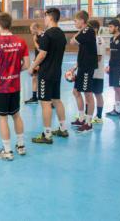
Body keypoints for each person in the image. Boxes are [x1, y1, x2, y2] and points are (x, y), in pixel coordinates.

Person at [0, 12, 29, 161]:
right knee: (16, 115)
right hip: (15, 86)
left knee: (2, 118)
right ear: (10, 24)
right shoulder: (21, 42)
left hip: (0, 87)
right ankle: (21, 146)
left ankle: (7, 150)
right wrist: (15, 71)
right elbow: (27, 65)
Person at [29, 8, 68, 144]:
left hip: (46, 74)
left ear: (50, 18)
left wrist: (32, 66)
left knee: (45, 103)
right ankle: (63, 129)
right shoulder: (62, 34)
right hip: (57, 72)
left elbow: (42, 54)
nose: (44, 20)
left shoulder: (47, 34)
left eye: (45, 18)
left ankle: (47, 135)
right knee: (56, 100)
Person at [69, 10, 98, 133]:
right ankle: (81, 118)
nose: (75, 23)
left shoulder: (88, 30)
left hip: (87, 67)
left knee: (88, 94)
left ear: (82, 20)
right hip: (82, 66)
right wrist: (76, 66)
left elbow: (72, 41)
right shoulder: (84, 32)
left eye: (76, 21)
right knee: (76, 92)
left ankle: (88, 122)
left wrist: (79, 31)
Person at [88, 19, 105, 124]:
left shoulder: (98, 40)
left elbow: (98, 58)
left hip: (97, 73)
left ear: (94, 29)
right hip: (91, 72)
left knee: (97, 94)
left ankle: (99, 116)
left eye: (88, 27)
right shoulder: (91, 39)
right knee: (88, 94)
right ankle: (87, 114)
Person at [24, 22, 43, 104]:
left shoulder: (43, 36)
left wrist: (35, 41)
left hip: (42, 61)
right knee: (34, 78)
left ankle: (51, 101)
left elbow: (41, 50)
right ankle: (34, 97)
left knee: (44, 80)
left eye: (31, 30)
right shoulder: (36, 36)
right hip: (37, 60)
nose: (31, 32)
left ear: (36, 28)